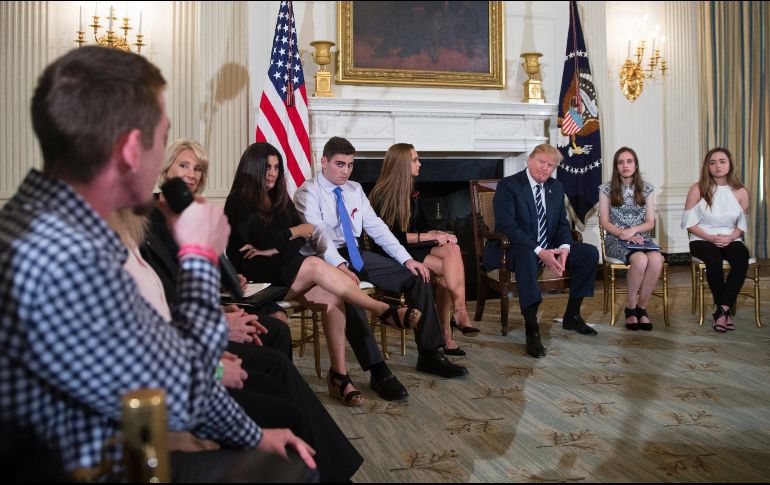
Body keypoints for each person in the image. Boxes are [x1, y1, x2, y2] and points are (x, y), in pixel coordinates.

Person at [0, 46, 316, 482]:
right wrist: (201, 258)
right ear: (132, 148)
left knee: (279, 441)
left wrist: (252, 434)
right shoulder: (66, 250)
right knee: (292, 472)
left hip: (120, 431)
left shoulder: (51, 218)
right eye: (161, 138)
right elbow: (181, 383)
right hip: (107, 459)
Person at [109, 208, 363, 482]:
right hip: (151, 405)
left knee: (276, 352)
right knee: (283, 402)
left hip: (184, 353)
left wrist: (219, 312)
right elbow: (135, 352)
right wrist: (213, 351)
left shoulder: (138, 228)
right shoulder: (100, 247)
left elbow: (168, 304)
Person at [225, 142, 422, 406]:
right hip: (257, 283)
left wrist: (277, 243)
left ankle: (339, 376)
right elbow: (264, 240)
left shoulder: (280, 200)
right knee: (315, 265)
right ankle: (381, 309)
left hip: (285, 274)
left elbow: (301, 239)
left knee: (333, 299)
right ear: (252, 169)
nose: (272, 173)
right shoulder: (238, 201)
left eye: (276, 167)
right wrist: (291, 235)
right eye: (266, 167)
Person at [294, 136, 469, 382]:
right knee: (349, 291)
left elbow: (378, 228)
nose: (346, 170)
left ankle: (430, 353)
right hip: (324, 259)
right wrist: (341, 267)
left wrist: (407, 260)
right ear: (324, 162)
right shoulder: (307, 192)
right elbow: (319, 238)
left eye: (350, 165)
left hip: (356, 254)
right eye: (340, 164)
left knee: (416, 276)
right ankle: (378, 370)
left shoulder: (355, 190)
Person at [144, 138, 292, 357]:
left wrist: (226, 283)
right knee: (273, 344)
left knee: (278, 327)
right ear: (166, 170)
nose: (192, 175)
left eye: (198, 169)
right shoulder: (149, 216)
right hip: (183, 320)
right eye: (183, 165)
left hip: (218, 301)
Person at [482, 143, 599, 359]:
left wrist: (564, 248)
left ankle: (572, 315)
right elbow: (507, 226)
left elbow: (562, 225)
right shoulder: (509, 185)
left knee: (589, 253)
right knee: (528, 256)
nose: (545, 168)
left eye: (551, 165)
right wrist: (538, 250)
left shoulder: (556, 187)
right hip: (515, 248)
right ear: (530, 160)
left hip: (549, 247)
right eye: (541, 162)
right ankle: (531, 329)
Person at [368, 142, 481, 356]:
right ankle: (449, 331)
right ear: (402, 164)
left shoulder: (412, 189)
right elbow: (390, 238)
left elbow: (422, 225)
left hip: (413, 247)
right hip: (391, 254)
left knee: (452, 249)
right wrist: (428, 236)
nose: (419, 164)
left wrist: (439, 234)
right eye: (415, 160)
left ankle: (458, 315)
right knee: (449, 270)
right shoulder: (381, 194)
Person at [681, 147, 750, 333]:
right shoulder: (698, 189)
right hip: (701, 238)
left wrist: (732, 237)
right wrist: (711, 237)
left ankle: (722, 310)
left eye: (722, 161)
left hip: (731, 238)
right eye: (712, 162)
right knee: (714, 259)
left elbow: (741, 226)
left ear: (730, 164)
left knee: (741, 257)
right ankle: (723, 312)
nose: (717, 166)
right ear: (707, 166)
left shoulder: (741, 192)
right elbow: (689, 224)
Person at [598, 147, 664, 331]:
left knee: (657, 260)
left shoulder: (647, 188)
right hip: (616, 238)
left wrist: (634, 230)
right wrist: (622, 233)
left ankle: (642, 309)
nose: (625, 165)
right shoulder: (606, 189)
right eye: (621, 162)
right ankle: (630, 307)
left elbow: (650, 222)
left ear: (635, 165)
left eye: (629, 161)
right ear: (616, 166)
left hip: (641, 237)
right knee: (640, 260)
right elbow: (604, 221)